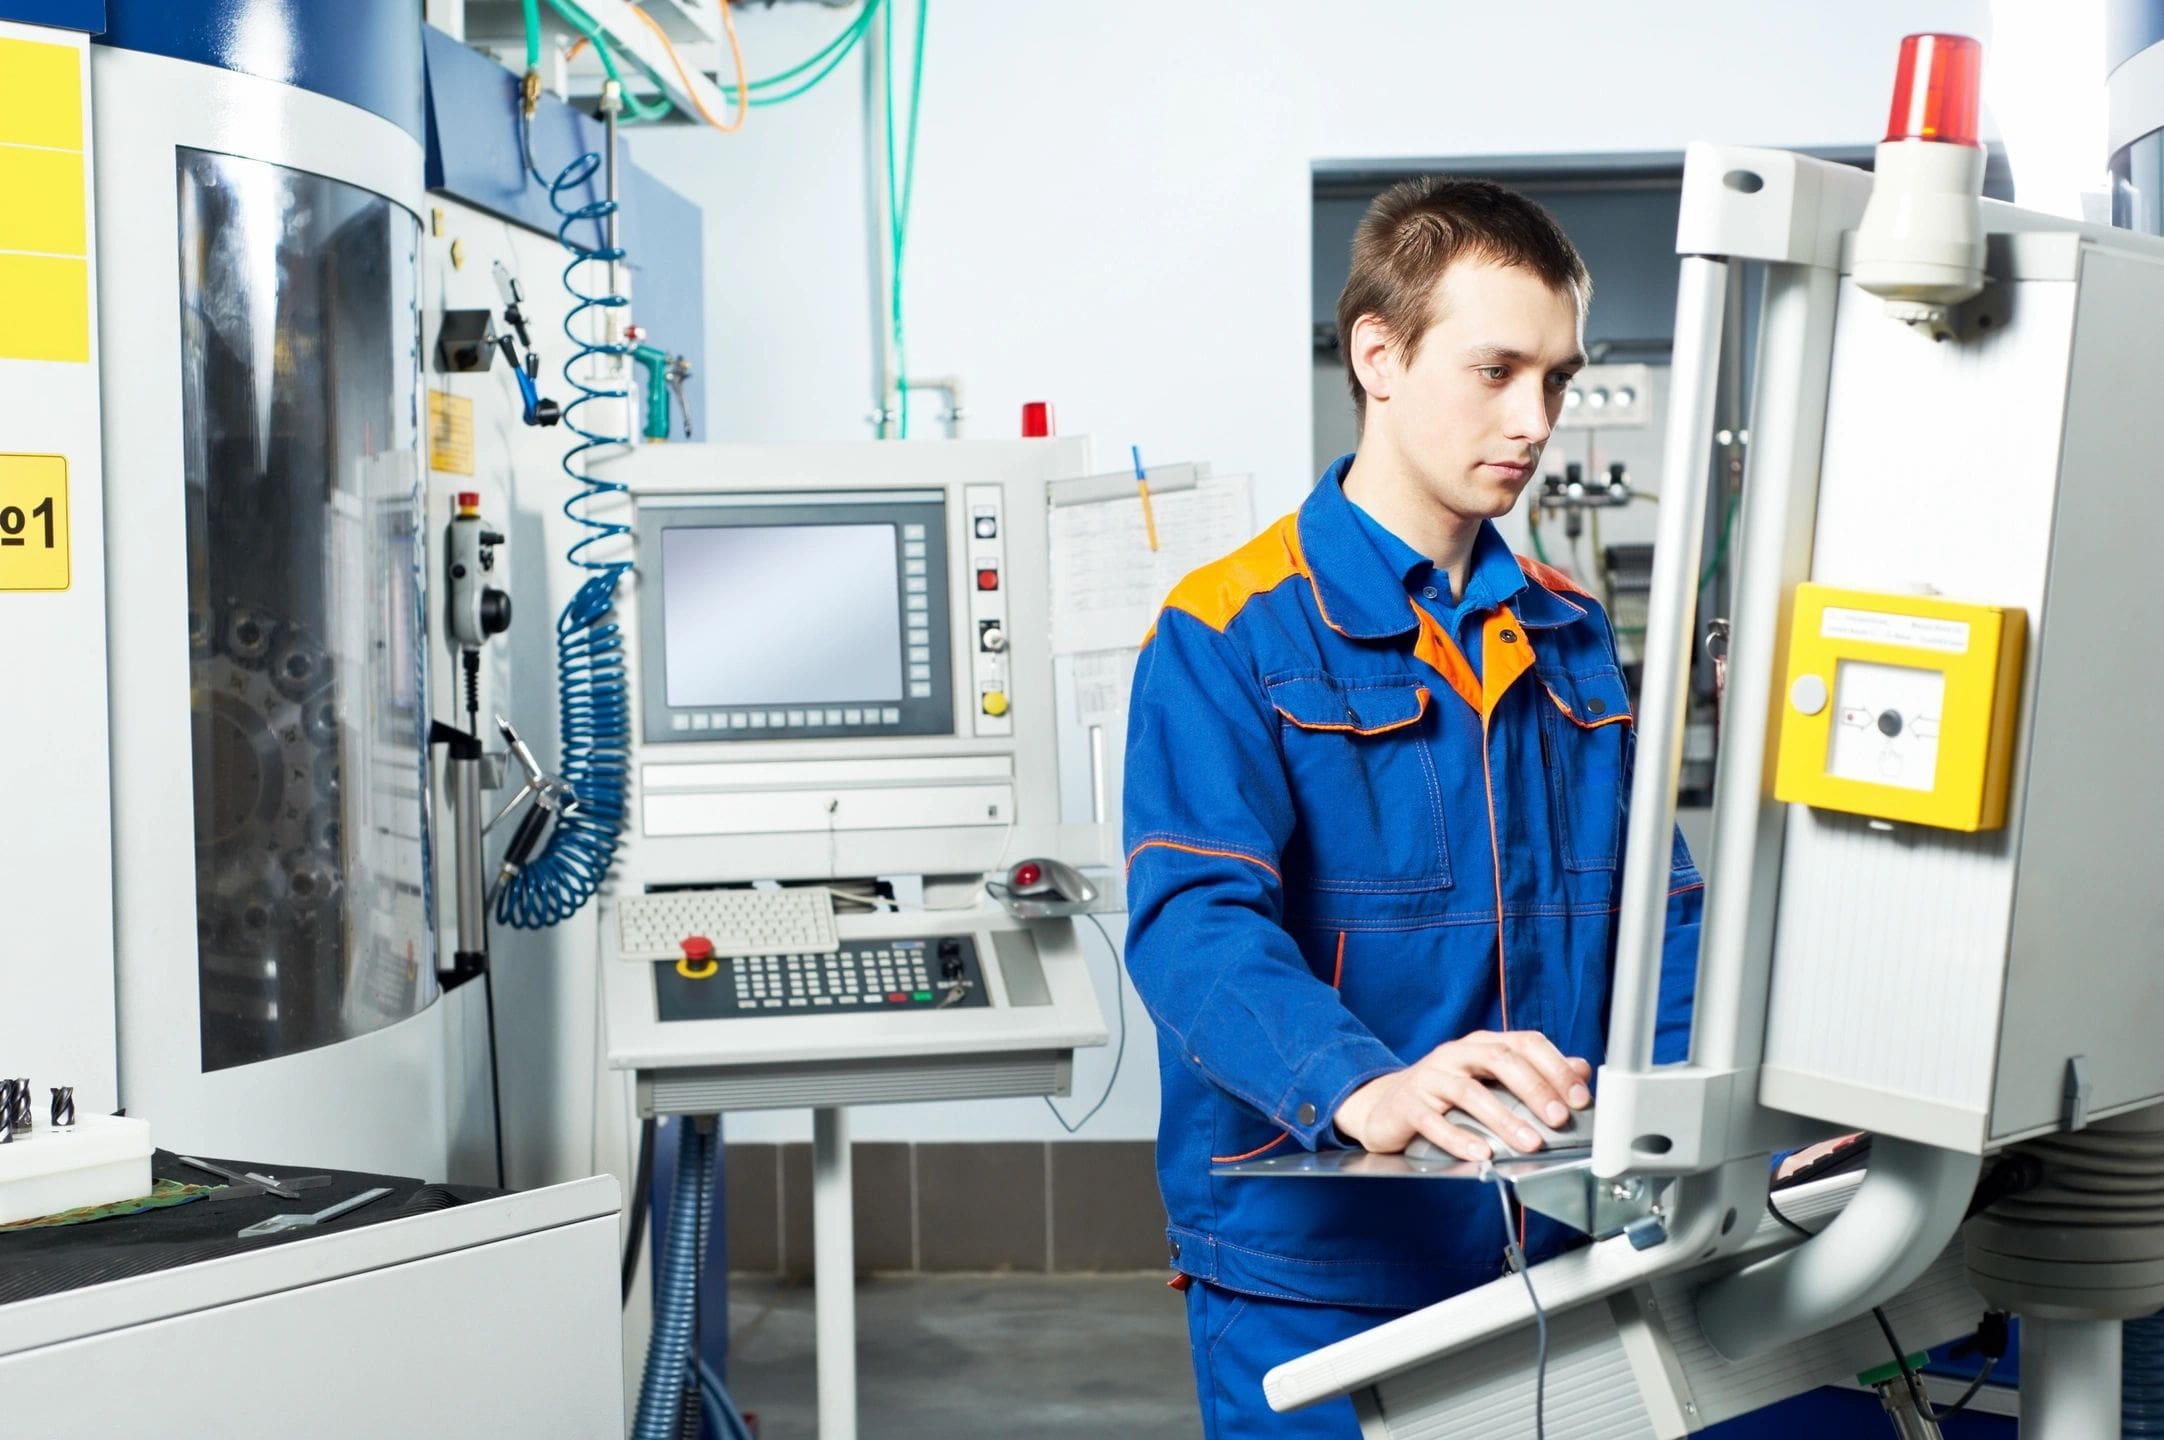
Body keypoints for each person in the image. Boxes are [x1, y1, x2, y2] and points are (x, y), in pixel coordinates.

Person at [1122, 176, 1705, 1438]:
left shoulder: (1568, 631)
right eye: (1496, 370)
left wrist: (1740, 1128)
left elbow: (1661, 913)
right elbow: (1193, 922)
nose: (1534, 417)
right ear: (1376, 356)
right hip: (1323, 1265)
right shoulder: (1227, 628)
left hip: (1559, 1237)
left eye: (1554, 377)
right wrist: (1361, 1088)